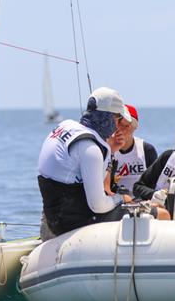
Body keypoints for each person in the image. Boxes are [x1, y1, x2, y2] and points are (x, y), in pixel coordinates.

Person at [37, 87, 133, 239]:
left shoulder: (65, 126)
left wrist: (110, 150)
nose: (117, 126)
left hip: (51, 221)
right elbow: (98, 205)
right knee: (150, 213)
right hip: (72, 226)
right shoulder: (91, 149)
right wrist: (122, 198)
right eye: (118, 119)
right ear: (109, 117)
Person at [107, 105, 158, 195]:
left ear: (135, 127)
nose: (124, 129)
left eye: (128, 125)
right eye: (120, 124)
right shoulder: (108, 149)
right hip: (115, 201)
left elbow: (155, 183)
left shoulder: (147, 150)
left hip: (141, 202)